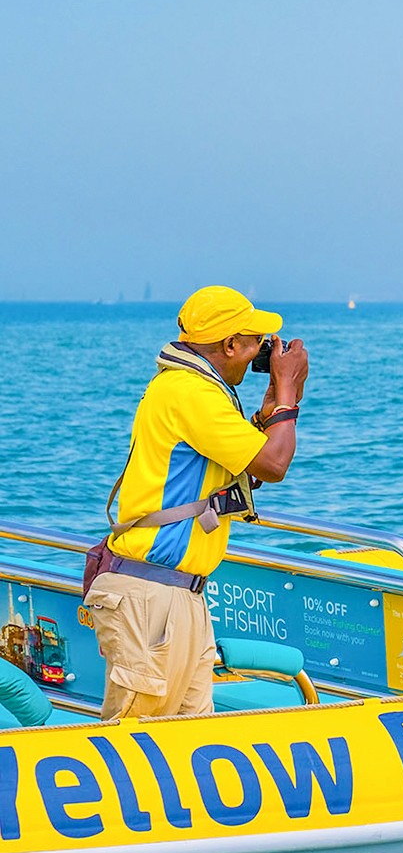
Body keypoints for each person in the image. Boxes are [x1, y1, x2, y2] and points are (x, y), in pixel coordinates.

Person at [87, 285, 308, 719]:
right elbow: (275, 464)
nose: (260, 352)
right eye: (254, 343)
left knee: (188, 746)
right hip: (152, 598)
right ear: (229, 344)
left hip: (177, 595)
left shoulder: (193, 389)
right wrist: (286, 392)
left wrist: (266, 415)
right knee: (135, 746)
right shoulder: (193, 393)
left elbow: (243, 473)